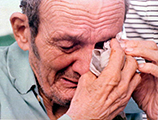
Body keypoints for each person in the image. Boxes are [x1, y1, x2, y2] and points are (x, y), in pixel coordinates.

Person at [0, 0, 157, 120]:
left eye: (103, 45)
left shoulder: (129, 86)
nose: (86, 69)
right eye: (67, 46)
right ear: (23, 31)